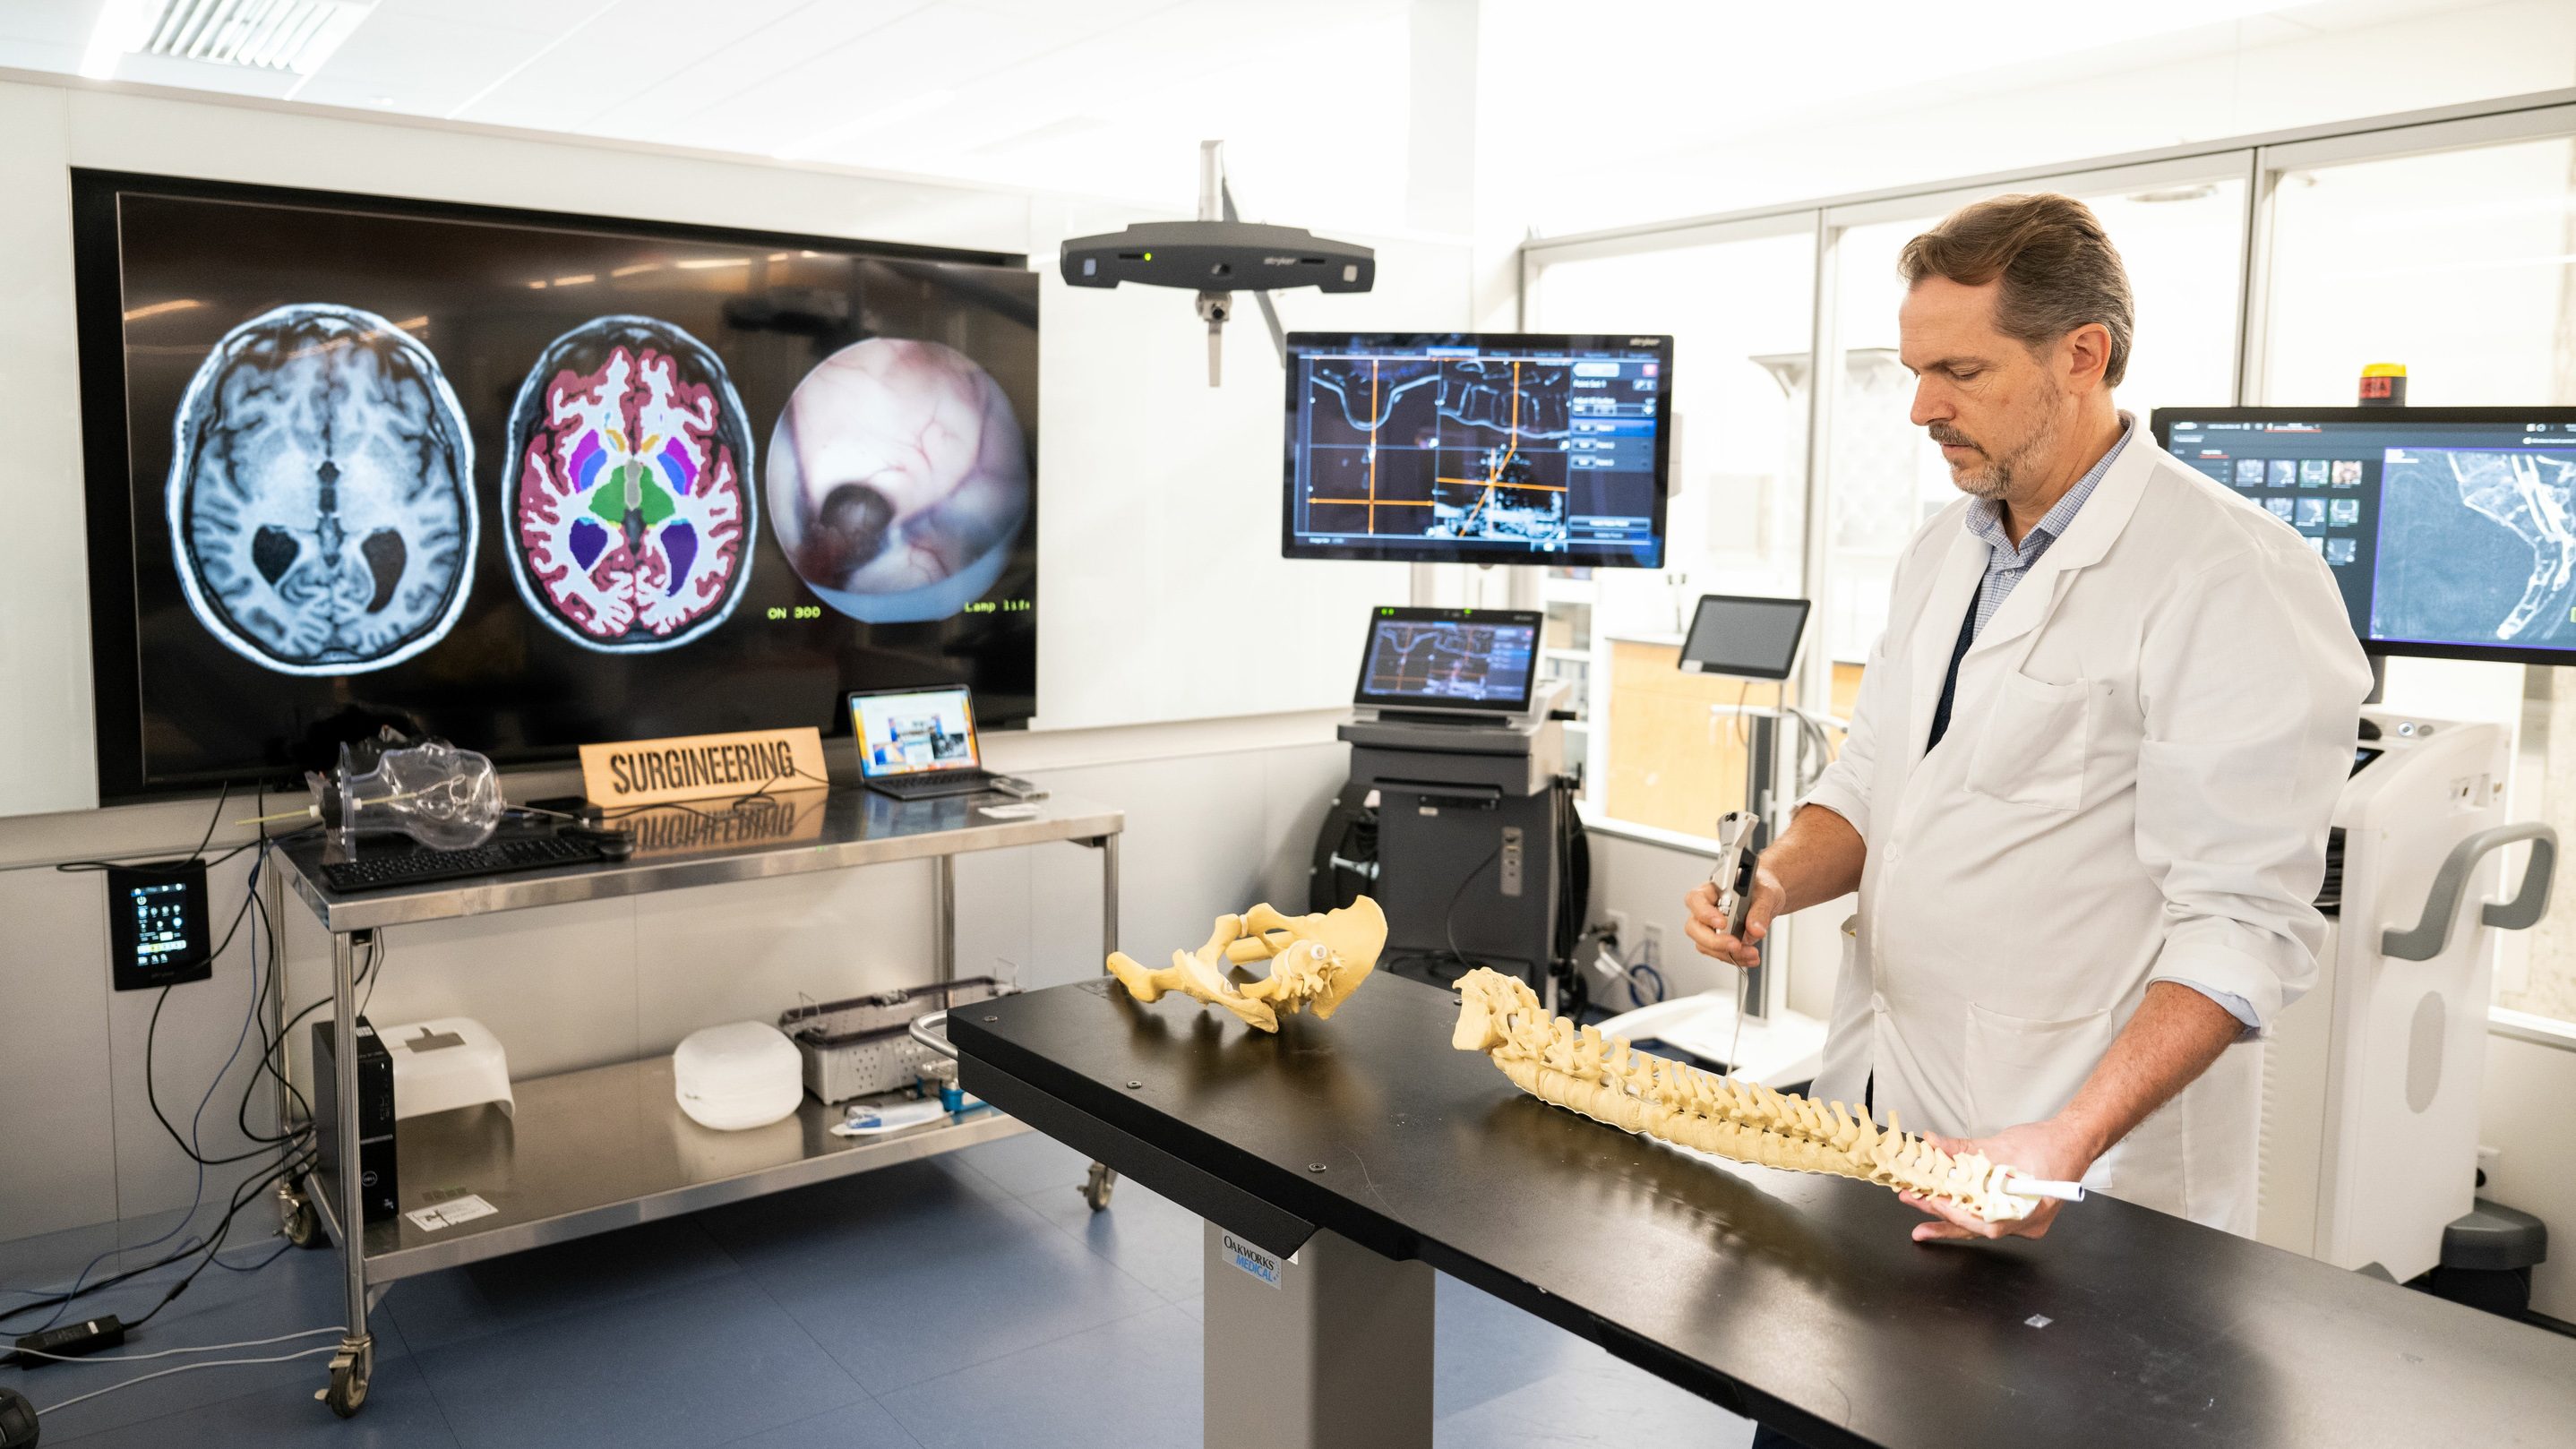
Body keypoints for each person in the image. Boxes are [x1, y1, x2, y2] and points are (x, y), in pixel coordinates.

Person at [1685, 193, 2369, 1262]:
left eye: (1959, 373)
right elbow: (1875, 781)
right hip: (1879, 1106)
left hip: (2073, 1161)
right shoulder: (1940, 551)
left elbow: (2239, 919)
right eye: (1914, 370)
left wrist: (2068, 1135)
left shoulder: (2230, 574)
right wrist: (1773, 880)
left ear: (2080, 356)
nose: (1919, 408)